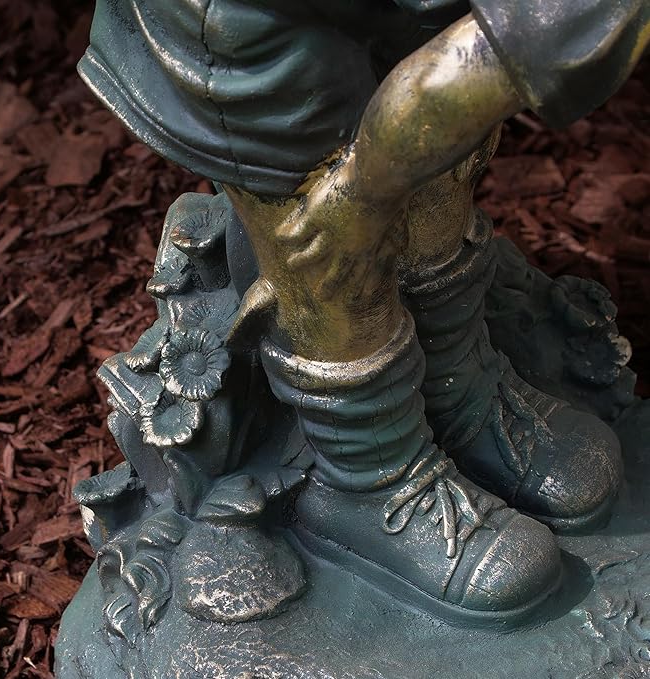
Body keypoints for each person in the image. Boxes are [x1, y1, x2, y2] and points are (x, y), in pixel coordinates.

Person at [79, 0, 650, 623]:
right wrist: (353, 195)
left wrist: (375, 184)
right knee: (317, 234)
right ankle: (370, 474)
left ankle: (457, 392)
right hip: (242, 25)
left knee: (437, 157)